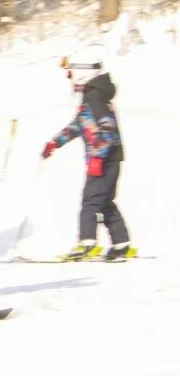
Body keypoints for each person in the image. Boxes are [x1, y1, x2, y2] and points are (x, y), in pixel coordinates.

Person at [41, 47, 136, 261]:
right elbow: (79, 125)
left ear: (83, 71)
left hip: (104, 159)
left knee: (90, 201)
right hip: (109, 158)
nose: (69, 78)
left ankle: (87, 243)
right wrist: (56, 142)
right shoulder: (94, 94)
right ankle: (121, 244)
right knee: (104, 200)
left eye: (70, 72)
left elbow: (107, 128)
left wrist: (97, 157)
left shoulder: (95, 96)